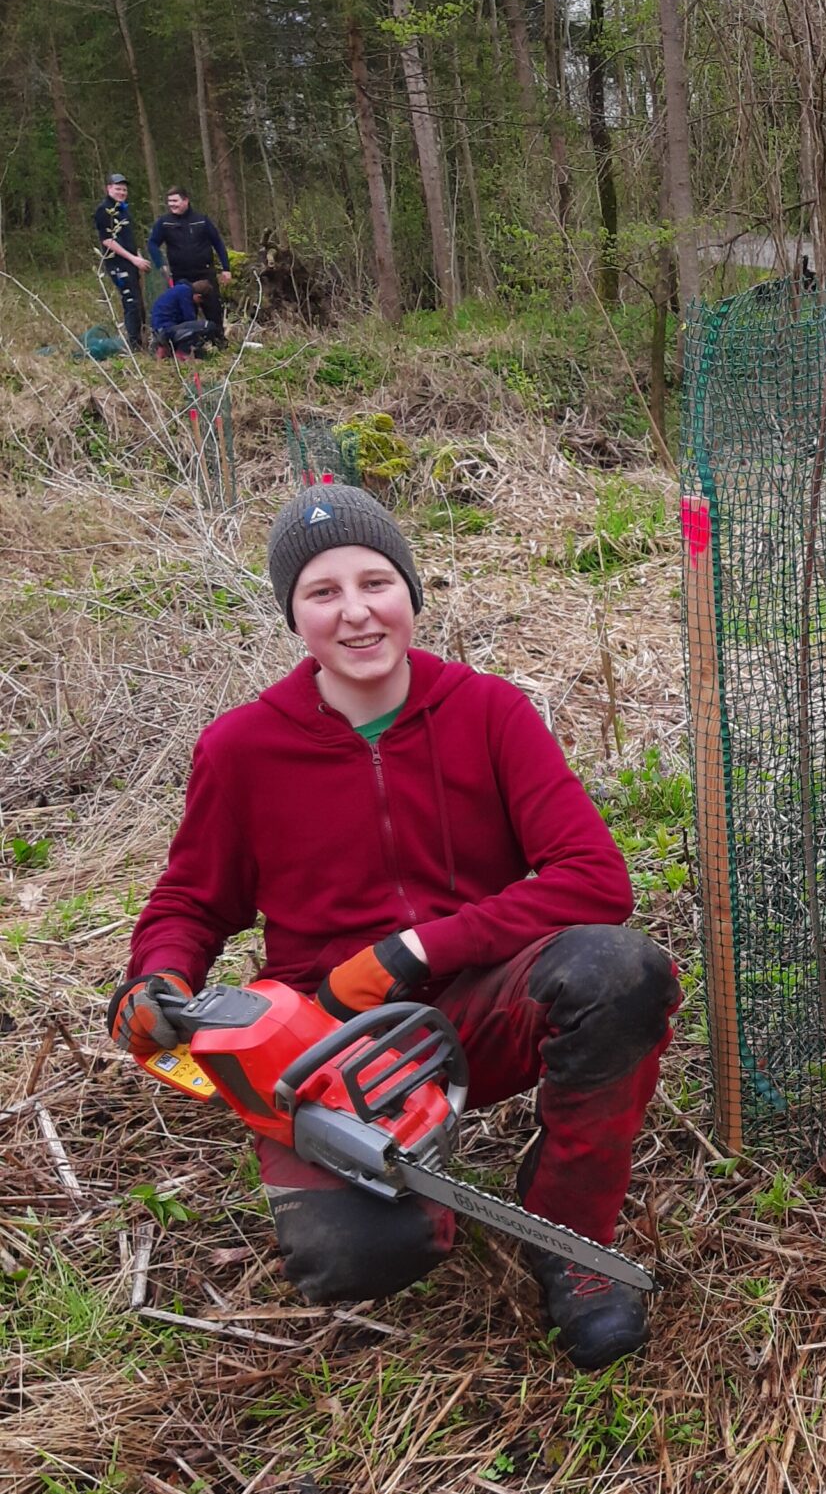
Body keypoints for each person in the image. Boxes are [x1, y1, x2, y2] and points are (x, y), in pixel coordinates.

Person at [107, 484, 677, 1369]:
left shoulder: (489, 712)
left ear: (409, 591)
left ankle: (571, 1231)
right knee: (360, 1260)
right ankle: (398, 1192)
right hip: (332, 1046)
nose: (356, 612)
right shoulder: (241, 749)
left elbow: (595, 877)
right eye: (322, 592)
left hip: (481, 1011)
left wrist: (410, 951)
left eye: (376, 582)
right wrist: (159, 978)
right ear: (294, 614)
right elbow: (191, 902)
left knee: (617, 971)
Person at [148, 187, 233, 345]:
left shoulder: (201, 220)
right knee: (185, 313)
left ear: (186, 200)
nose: (171, 204)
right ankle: (190, 345)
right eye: (169, 201)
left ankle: (219, 341)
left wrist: (226, 268)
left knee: (213, 308)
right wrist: (161, 263)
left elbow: (218, 243)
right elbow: (152, 243)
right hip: (180, 276)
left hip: (204, 272)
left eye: (175, 201)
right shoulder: (164, 222)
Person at [92, 171, 149, 350]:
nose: (122, 192)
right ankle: (134, 346)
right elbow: (108, 241)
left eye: (124, 190)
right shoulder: (104, 210)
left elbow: (127, 238)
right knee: (131, 302)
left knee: (139, 303)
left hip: (131, 263)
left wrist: (137, 255)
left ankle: (143, 339)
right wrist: (132, 258)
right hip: (118, 264)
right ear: (109, 188)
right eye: (118, 189)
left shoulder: (123, 210)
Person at [149, 276, 215, 359]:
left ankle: (167, 350)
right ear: (198, 296)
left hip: (160, 329)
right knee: (208, 326)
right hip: (166, 330)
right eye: (200, 301)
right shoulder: (185, 294)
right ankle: (182, 353)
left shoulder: (180, 289)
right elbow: (190, 319)